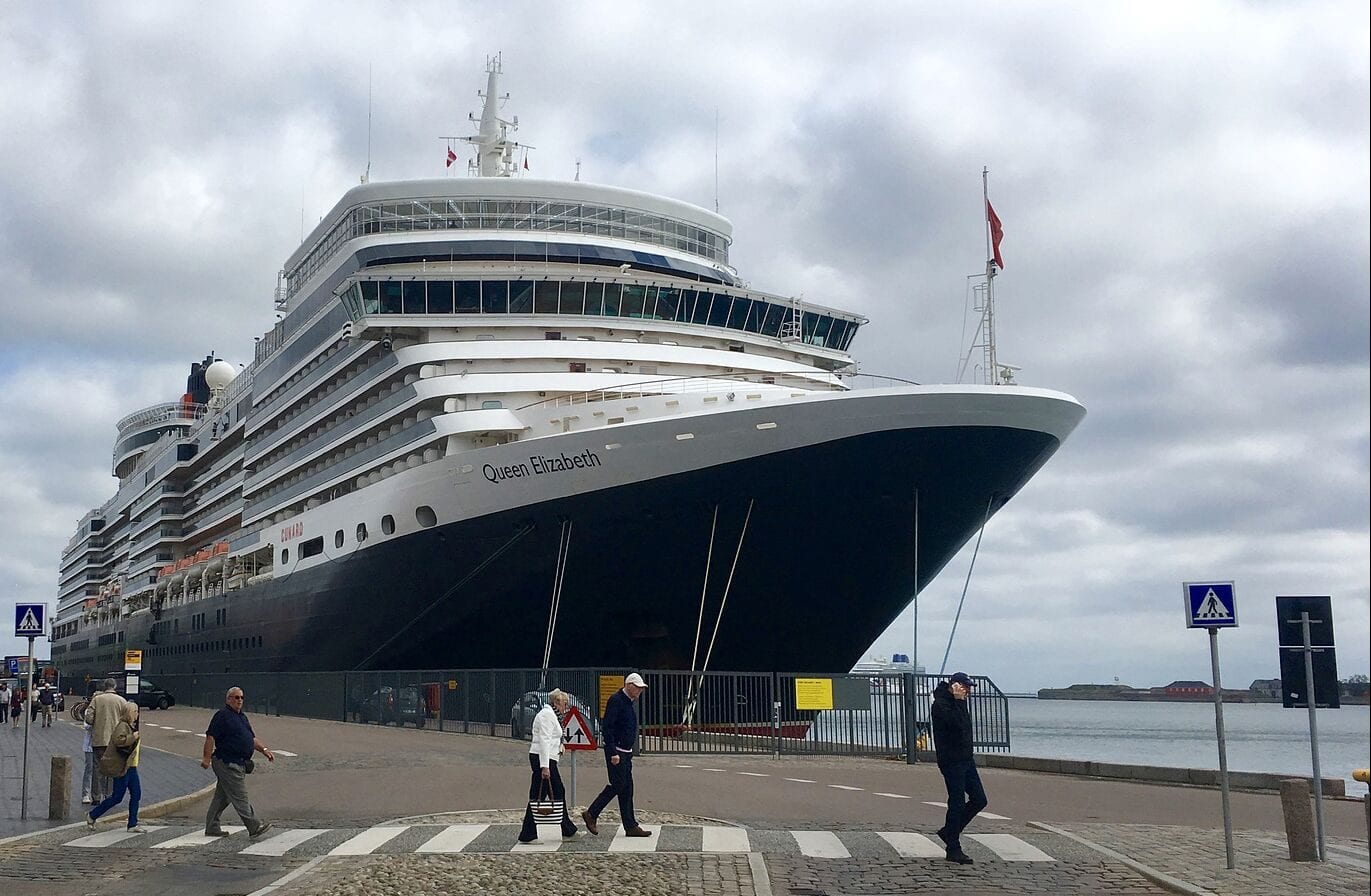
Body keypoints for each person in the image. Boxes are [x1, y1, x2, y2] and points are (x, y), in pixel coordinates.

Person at [582, 672, 650, 837]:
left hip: (625, 752)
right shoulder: (616, 700)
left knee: (627, 788)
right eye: (638, 688)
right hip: (617, 752)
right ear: (629, 686)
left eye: (641, 689)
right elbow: (608, 727)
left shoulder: (628, 702)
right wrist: (612, 751)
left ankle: (630, 825)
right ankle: (592, 813)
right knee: (618, 785)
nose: (640, 691)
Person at [201, 686, 275, 838]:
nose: (239, 700)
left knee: (223, 796)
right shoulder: (222, 716)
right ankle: (254, 826)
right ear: (228, 699)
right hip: (226, 762)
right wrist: (206, 758)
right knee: (240, 795)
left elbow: (251, 738)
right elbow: (210, 737)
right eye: (236, 697)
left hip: (239, 762)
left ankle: (212, 827)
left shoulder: (242, 717)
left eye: (241, 697)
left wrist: (264, 750)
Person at [931, 671, 987, 865]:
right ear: (955, 685)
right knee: (956, 801)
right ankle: (953, 847)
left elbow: (964, 727)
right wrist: (958, 700)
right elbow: (955, 725)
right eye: (966, 687)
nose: (968, 691)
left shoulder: (958, 703)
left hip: (966, 759)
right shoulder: (941, 704)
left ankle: (949, 832)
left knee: (979, 799)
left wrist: (960, 701)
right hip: (951, 760)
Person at [518, 689, 579, 842]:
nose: (566, 708)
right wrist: (545, 766)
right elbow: (544, 740)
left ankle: (530, 832)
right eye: (565, 704)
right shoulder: (547, 715)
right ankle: (564, 829)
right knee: (553, 791)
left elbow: (551, 738)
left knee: (545, 792)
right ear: (557, 702)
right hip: (543, 759)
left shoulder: (551, 715)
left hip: (546, 758)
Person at [86, 700, 147, 832]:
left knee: (136, 794)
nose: (137, 714)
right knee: (117, 797)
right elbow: (119, 741)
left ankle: (132, 824)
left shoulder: (129, 726)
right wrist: (133, 736)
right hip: (123, 767)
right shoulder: (123, 726)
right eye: (135, 711)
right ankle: (92, 815)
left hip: (131, 766)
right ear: (130, 712)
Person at [84, 678, 124, 798]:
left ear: (104, 687)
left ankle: (96, 796)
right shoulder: (121, 701)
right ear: (115, 686)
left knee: (97, 769)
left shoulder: (97, 700)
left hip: (99, 739)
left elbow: (88, 719)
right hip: (114, 740)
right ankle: (109, 794)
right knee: (111, 768)